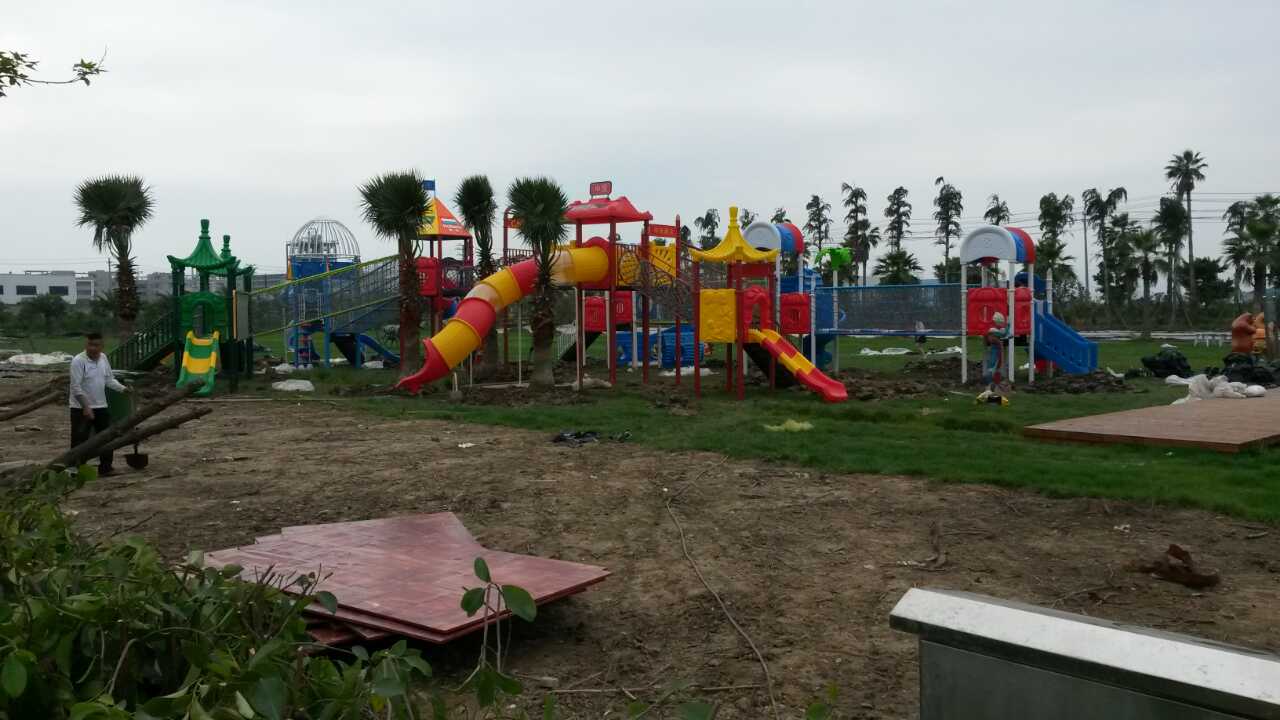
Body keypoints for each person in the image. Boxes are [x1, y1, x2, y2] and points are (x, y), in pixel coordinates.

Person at [69, 332, 128, 475]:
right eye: (90, 344)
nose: (92, 348)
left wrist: (124, 389)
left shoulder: (103, 358)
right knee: (80, 439)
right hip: (80, 408)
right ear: (86, 344)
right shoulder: (78, 361)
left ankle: (106, 468)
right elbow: (76, 387)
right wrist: (86, 407)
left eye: (96, 345)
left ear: (102, 346)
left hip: (101, 405)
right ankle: (76, 469)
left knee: (106, 437)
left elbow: (109, 379)